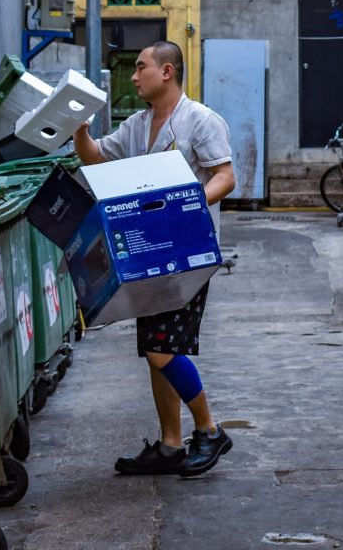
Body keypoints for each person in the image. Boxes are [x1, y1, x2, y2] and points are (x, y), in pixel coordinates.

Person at [73, 40, 236, 478]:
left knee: (163, 349)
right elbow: (95, 158)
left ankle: (209, 430)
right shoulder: (137, 125)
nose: (133, 74)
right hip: (149, 254)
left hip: (189, 254)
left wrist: (187, 206)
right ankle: (169, 444)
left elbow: (226, 176)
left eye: (140, 66)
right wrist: (79, 132)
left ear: (167, 71)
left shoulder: (199, 120)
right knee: (155, 348)